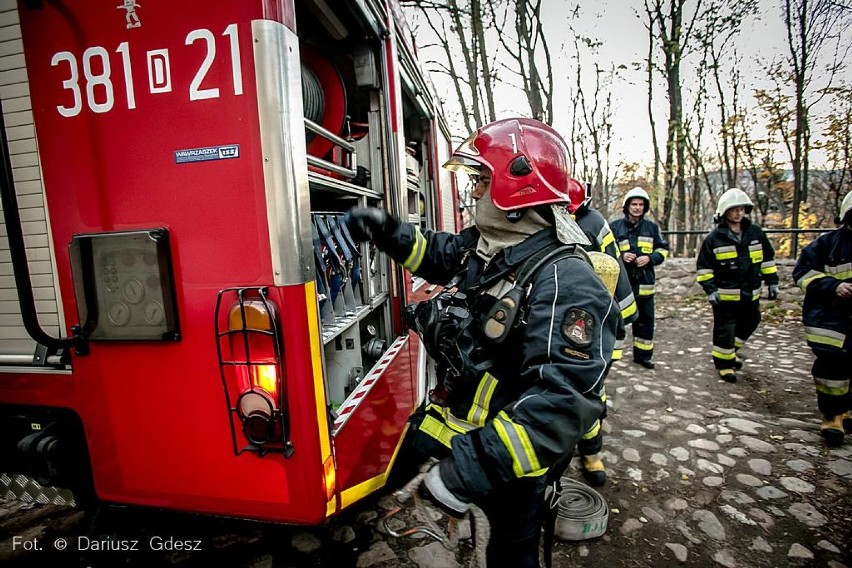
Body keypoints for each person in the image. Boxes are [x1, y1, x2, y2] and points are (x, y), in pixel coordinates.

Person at [344, 118, 619, 568]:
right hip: (447, 426)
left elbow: (562, 405)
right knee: (390, 516)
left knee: (510, 558)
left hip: (509, 468)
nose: (472, 193)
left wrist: (463, 474)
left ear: (518, 194)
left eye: (480, 181)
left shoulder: (568, 282)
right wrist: (386, 230)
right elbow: (437, 254)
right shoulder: (488, 244)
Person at [569, 181, 638, 486]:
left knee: (590, 389)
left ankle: (591, 453)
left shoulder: (591, 224)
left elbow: (613, 274)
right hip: (567, 319)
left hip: (596, 321)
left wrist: (613, 330)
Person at [696, 187, 779, 383]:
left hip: (750, 294)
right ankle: (725, 365)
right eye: (734, 209)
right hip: (725, 297)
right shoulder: (714, 239)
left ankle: (729, 352)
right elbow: (704, 268)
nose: (739, 213)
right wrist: (711, 290)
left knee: (752, 321)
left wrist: (772, 282)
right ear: (725, 212)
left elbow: (767, 259)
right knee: (725, 330)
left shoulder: (755, 233)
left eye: (742, 209)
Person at [792, 191, 852, 446]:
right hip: (833, 320)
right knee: (833, 370)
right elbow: (802, 272)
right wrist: (832, 286)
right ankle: (832, 416)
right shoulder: (827, 244)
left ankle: (846, 410)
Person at [610, 187, 669, 369]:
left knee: (645, 323)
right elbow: (607, 251)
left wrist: (650, 258)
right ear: (627, 207)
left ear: (645, 207)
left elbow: (663, 250)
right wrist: (621, 255)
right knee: (615, 320)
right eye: (634, 204)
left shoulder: (652, 228)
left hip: (645, 287)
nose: (637, 208)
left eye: (640, 204)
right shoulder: (615, 227)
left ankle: (643, 357)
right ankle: (610, 353)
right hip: (623, 285)